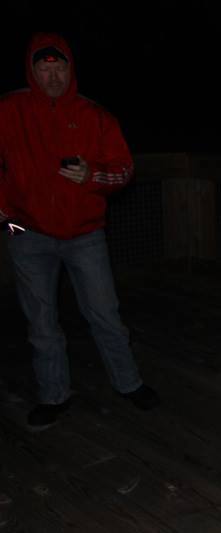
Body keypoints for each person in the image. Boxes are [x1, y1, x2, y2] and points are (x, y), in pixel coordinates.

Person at [0, 33, 159, 429]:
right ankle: (53, 396)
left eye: (60, 67)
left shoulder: (96, 116)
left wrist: (92, 175)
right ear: (31, 69)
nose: (52, 75)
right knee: (41, 323)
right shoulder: (8, 111)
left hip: (85, 235)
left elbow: (124, 171)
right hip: (28, 235)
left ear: (71, 69)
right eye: (44, 67)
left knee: (104, 313)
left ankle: (129, 383)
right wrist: (8, 221)